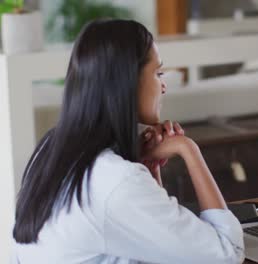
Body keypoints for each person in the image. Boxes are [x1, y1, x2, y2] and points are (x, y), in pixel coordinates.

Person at [12, 19, 244, 264]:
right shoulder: (115, 180)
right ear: (127, 82)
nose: (163, 86)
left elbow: (159, 246)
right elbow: (227, 253)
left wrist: (150, 169)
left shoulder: (51, 149)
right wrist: (189, 149)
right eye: (158, 73)